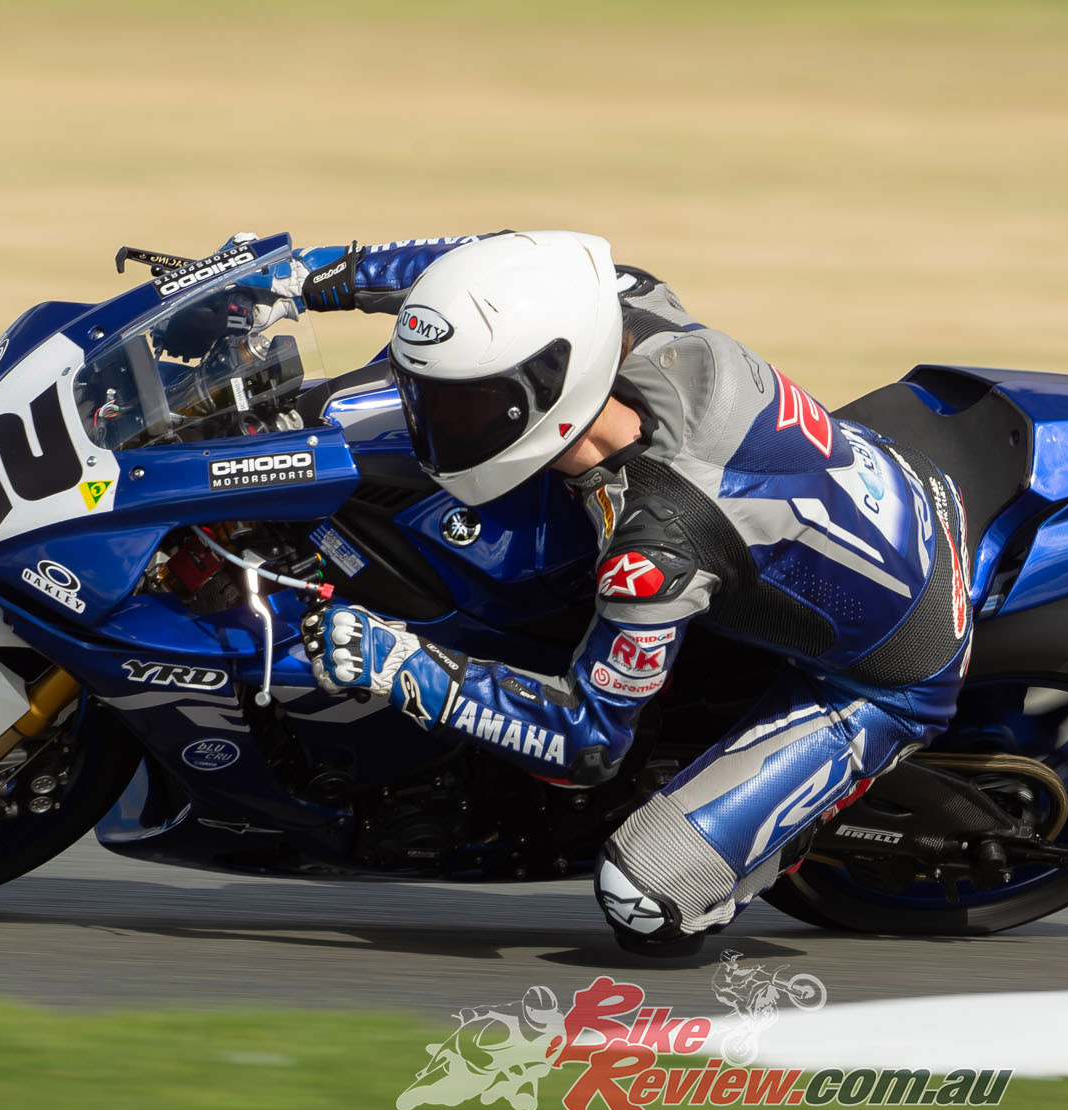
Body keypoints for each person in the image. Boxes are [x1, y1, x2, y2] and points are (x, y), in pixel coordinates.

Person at [283, 231, 973, 955]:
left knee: (640, 902)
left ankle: (780, 832)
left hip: (889, 668)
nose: (430, 419)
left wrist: (401, 667)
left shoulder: (656, 548)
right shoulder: (621, 302)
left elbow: (585, 742)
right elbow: (492, 274)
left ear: (552, 389)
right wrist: (316, 275)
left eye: (466, 406)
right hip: (885, 476)